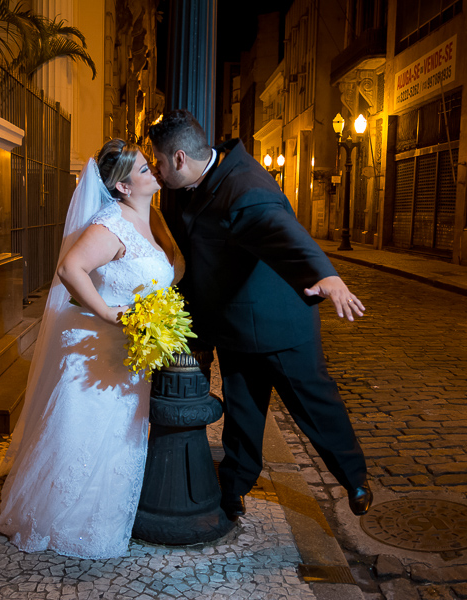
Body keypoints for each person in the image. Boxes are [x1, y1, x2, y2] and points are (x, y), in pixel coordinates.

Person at [148, 109, 372, 520]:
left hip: (281, 325)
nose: (156, 169)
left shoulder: (246, 185)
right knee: (243, 414)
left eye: (159, 161)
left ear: (180, 158)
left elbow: (278, 229)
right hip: (235, 324)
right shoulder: (187, 185)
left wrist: (326, 274)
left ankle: (354, 479)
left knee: (315, 406)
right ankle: (233, 488)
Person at [0, 139, 183, 559]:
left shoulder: (153, 220)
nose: (154, 173)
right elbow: (69, 268)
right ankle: (53, 518)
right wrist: (111, 314)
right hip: (97, 347)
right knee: (84, 432)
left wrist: (156, 313)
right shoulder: (110, 225)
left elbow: (166, 269)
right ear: (124, 187)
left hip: (132, 349)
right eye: (145, 170)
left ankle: (103, 516)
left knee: (118, 437)